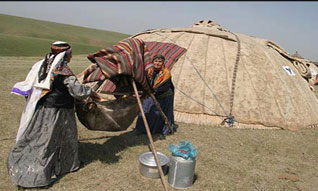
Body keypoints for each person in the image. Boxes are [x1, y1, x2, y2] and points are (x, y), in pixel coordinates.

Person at [7, 41, 101, 188]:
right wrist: (91, 92)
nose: (71, 56)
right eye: (70, 54)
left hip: (43, 108)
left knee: (40, 137)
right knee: (52, 140)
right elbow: (77, 91)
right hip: (58, 112)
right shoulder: (62, 70)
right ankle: (39, 174)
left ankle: (66, 164)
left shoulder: (44, 63)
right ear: (65, 54)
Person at [135, 55, 177, 135]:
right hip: (152, 92)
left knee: (159, 113)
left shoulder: (166, 73)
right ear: (153, 62)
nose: (157, 63)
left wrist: (156, 91)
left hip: (164, 95)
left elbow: (166, 86)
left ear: (163, 63)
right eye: (155, 61)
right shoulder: (149, 71)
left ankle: (160, 130)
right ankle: (142, 129)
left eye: (159, 62)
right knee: (145, 109)